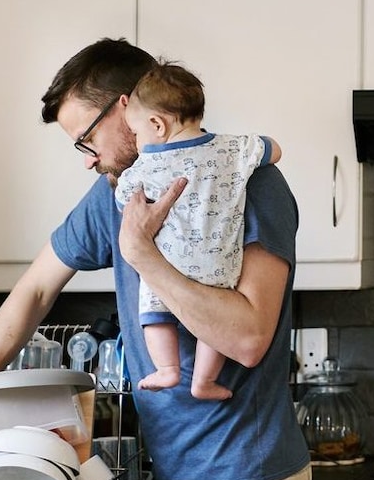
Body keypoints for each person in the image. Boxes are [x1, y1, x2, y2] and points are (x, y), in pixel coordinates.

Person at [0, 38, 311, 480]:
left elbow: (247, 337)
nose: (87, 159)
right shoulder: (118, 193)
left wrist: (145, 257)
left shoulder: (248, 181)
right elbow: (37, 287)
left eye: (86, 138)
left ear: (130, 110)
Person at [113, 63, 282, 401]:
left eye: (135, 133)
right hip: (219, 266)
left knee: (154, 312)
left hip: (169, 266)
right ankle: (204, 382)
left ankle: (167, 369)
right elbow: (274, 149)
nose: (136, 142)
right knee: (213, 329)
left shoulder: (146, 166)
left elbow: (124, 200)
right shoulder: (233, 149)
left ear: (157, 124)